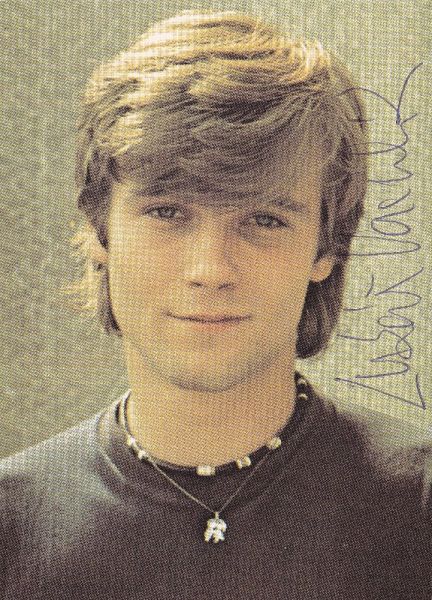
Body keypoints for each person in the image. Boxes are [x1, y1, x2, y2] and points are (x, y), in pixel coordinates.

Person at [0, 9, 430, 600]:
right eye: (167, 213)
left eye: (263, 220)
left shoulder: (419, 506)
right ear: (101, 232)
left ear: (326, 248)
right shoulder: (13, 525)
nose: (210, 271)